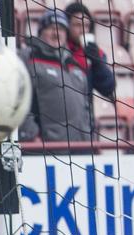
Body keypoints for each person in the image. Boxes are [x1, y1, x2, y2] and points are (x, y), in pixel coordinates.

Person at [19, 9, 97, 143]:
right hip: (47, 150)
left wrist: (90, 139)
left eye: (61, 29)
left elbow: (86, 107)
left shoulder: (74, 64)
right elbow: (19, 101)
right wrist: (31, 135)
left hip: (81, 149)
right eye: (51, 28)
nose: (56, 33)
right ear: (40, 32)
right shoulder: (28, 58)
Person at [62, 2, 115, 104]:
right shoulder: (57, 50)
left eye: (86, 26)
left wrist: (98, 64)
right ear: (67, 25)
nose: (83, 30)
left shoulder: (96, 53)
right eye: (77, 25)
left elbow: (108, 88)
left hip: (85, 116)